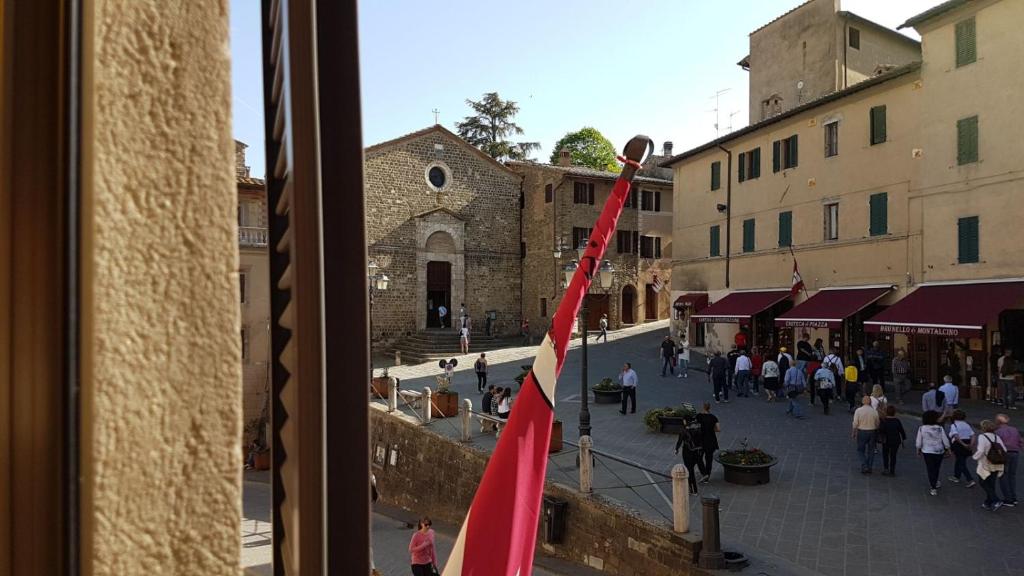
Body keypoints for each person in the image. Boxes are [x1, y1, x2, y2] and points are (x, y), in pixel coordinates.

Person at [974, 420, 1008, 511]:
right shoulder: (997, 437)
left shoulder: (982, 436)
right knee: (991, 483)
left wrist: (975, 457)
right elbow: (1004, 449)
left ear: (983, 428)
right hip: (997, 463)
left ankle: (996, 500)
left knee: (983, 482)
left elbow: (981, 450)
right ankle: (988, 503)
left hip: (986, 463)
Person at [916, 410, 950, 495]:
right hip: (939, 451)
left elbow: (919, 441)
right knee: (936, 468)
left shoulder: (922, 428)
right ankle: (935, 481)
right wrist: (948, 449)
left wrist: (918, 449)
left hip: (927, 451)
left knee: (930, 468)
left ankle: (933, 487)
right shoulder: (940, 428)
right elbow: (945, 440)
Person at [994, 413, 1021, 506]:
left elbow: (996, 445)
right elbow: (1020, 441)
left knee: (1003, 475)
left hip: (1004, 454)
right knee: (1012, 476)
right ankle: (1013, 497)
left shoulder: (998, 432)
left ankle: (1008, 499)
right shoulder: (1014, 429)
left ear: (998, 421)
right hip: (1015, 453)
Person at [947, 409, 976, 487]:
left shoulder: (954, 425)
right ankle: (956, 476)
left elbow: (956, 436)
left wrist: (963, 444)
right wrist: (971, 444)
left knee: (961, 463)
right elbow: (973, 435)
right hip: (967, 442)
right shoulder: (967, 425)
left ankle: (970, 479)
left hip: (958, 444)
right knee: (960, 460)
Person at [675, 420, 704, 495]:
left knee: (690, 471)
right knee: (691, 470)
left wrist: (676, 449)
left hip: (687, 452)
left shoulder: (684, 431)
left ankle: (693, 489)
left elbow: (679, 441)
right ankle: (693, 489)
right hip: (697, 452)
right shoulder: (698, 430)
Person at [852, 396, 881, 474]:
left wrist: (854, 432)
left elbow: (855, 423)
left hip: (862, 431)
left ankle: (864, 464)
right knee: (871, 450)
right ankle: (869, 466)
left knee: (860, 450)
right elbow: (877, 423)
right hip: (872, 431)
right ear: (870, 402)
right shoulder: (874, 411)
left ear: (862, 402)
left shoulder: (858, 411)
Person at [695, 403, 720, 484]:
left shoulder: (698, 416)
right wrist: (711, 429)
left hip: (701, 440)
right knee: (709, 459)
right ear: (709, 408)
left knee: (698, 458)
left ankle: (704, 473)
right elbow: (718, 429)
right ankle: (707, 477)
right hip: (711, 441)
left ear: (703, 407)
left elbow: (695, 426)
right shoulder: (713, 417)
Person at [878, 405, 906, 476]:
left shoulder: (884, 420)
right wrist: (903, 438)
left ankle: (886, 469)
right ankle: (892, 471)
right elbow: (901, 430)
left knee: (885, 454)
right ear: (894, 412)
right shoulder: (897, 421)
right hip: (895, 440)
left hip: (886, 440)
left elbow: (881, 430)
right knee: (893, 455)